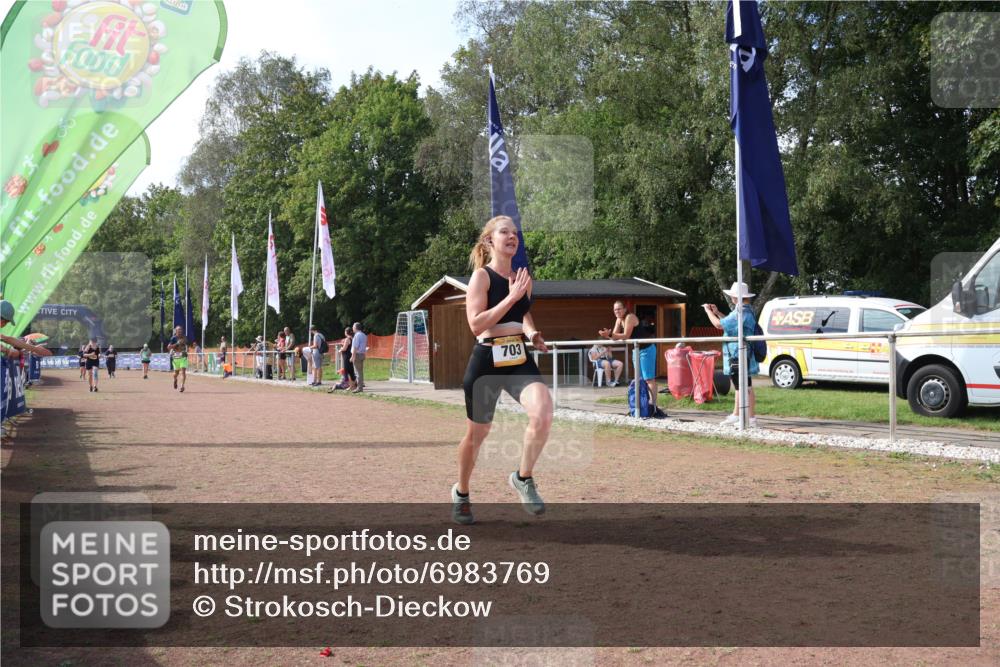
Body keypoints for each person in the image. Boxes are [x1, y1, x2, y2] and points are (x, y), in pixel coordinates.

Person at [453, 215, 552, 525]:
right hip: (487, 361)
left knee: (544, 411)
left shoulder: (524, 277)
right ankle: (462, 492)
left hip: (518, 357)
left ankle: (523, 477)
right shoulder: (481, 278)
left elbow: (522, 315)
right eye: (504, 231)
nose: (512, 236)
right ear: (489, 241)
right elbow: (476, 324)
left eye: (515, 233)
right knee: (477, 434)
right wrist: (511, 296)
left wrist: (532, 333)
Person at [703, 281, 759, 427]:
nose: (732, 298)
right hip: (740, 353)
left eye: (733, 296)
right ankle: (737, 414)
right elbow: (728, 322)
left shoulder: (741, 312)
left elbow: (719, 325)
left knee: (744, 386)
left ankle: (749, 418)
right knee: (740, 385)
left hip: (738, 354)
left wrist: (708, 312)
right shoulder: (745, 311)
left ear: (736, 297)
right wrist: (717, 313)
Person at [599, 301, 666, 418]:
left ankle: (653, 405)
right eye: (615, 310)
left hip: (647, 349)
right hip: (636, 349)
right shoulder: (619, 320)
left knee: (649, 379)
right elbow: (614, 337)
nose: (617, 312)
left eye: (619, 309)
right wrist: (608, 334)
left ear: (625, 309)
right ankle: (640, 404)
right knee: (638, 379)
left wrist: (610, 335)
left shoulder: (630, 317)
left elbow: (625, 335)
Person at [328, 327, 357, 392]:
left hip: (347, 356)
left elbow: (344, 348)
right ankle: (353, 385)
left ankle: (351, 386)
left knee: (348, 371)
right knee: (351, 371)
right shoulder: (352, 338)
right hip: (349, 355)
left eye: (345, 331)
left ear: (346, 332)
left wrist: (339, 350)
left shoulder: (347, 339)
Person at [167, 325, 189, 393]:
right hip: (176, 357)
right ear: (176, 331)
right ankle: (175, 379)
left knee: (183, 372)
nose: (180, 331)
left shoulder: (184, 337)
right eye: (178, 330)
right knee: (176, 373)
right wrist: (176, 344)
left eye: (181, 330)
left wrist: (181, 343)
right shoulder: (173, 338)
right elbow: (169, 347)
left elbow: (185, 342)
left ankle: (182, 386)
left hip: (183, 356)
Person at [350, 322, 367, 393]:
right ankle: (360, 386)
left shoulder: (357, 335)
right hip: (362, 354)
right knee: (360, 371)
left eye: (353, 327)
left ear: (356, 328)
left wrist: (352, 356)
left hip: (357, 354)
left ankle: (359, 388)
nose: (352, 328)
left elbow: (355, 347)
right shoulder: (364, 335)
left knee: (357, 372)